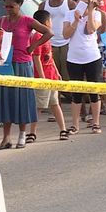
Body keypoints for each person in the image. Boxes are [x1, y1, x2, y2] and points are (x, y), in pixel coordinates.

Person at [0, 0, 53, 149]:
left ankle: (22, 134)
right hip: (6, 64)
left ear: (19, 4)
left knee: (22, 99)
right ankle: (6, 137)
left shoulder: (28, 21)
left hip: (23, 64)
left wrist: (33, 46)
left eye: (11, 6)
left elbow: (48, 32)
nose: (8, 9)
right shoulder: (2, 21)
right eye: (6, 6)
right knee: (6, 99)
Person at [63, 0, 104, 135]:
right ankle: (75, 125)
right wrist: (75, 19)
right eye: (85, 2)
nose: (87, 5)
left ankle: (96, 123)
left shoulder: (97, 14)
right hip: (74, 58)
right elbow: (66, 35)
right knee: (76, 93)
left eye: (90, 2)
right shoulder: (69, 14)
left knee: (94, 91)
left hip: (92, 57)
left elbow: (91, 29)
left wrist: (91, 11)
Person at [27, 10, 68, 142]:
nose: (51, 23)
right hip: (43, 78)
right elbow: (37, 59)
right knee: (39, 106)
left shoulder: (47, 37)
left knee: (55, 104)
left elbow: (50, 59)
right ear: (45, 23)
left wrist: (56, 72)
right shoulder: (39, 37)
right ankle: (32, 132)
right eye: (50, 20)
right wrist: (42, 78)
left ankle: (63, 129)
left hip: (52, 77)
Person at [40, 0, 76, 87]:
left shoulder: (70, 4)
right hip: (50, 44)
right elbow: (39, 24)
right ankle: (57, 102)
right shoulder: (43, 5)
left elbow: (76, 22)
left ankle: (73, 102)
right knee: (53, 76)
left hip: (66, 44)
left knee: (67, 77)